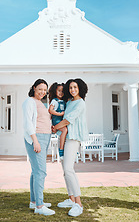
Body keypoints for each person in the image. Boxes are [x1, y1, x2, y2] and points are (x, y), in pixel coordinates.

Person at [52, 78, 88, 217]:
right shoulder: (68, 102)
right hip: (65, 137)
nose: (73, 90)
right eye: (71, 88)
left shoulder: (80, 103)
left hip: (73, 138)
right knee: (65, 170)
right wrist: (56, 127)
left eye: (75, 87)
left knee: (68, 169)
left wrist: (55, 127)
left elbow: (68, 120)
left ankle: (78, 204)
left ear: (80, 88)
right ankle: (71, 198)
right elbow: (62, 120)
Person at [22, 79, 55, 216]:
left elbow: (42, 120)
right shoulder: (29, 101)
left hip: (44, 137)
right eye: (40, 89)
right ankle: (40, 206)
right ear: (34, 88)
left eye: (44, 90)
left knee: (35, 171)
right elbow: (28, 123)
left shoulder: (40, 103)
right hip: (37, 138)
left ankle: (34, 201)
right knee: (41, 172)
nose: (42, 92)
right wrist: (35, 141)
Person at [48, 82, 67, 159]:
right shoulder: (54, 101)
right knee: (65, 130)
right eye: (59, 90)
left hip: (61, 120)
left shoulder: (64, 101)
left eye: (62, 91)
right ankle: (61, 149)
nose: (61, 93)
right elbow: (50, 110)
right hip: (57, 120)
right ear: (55, 91)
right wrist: (60, 114)